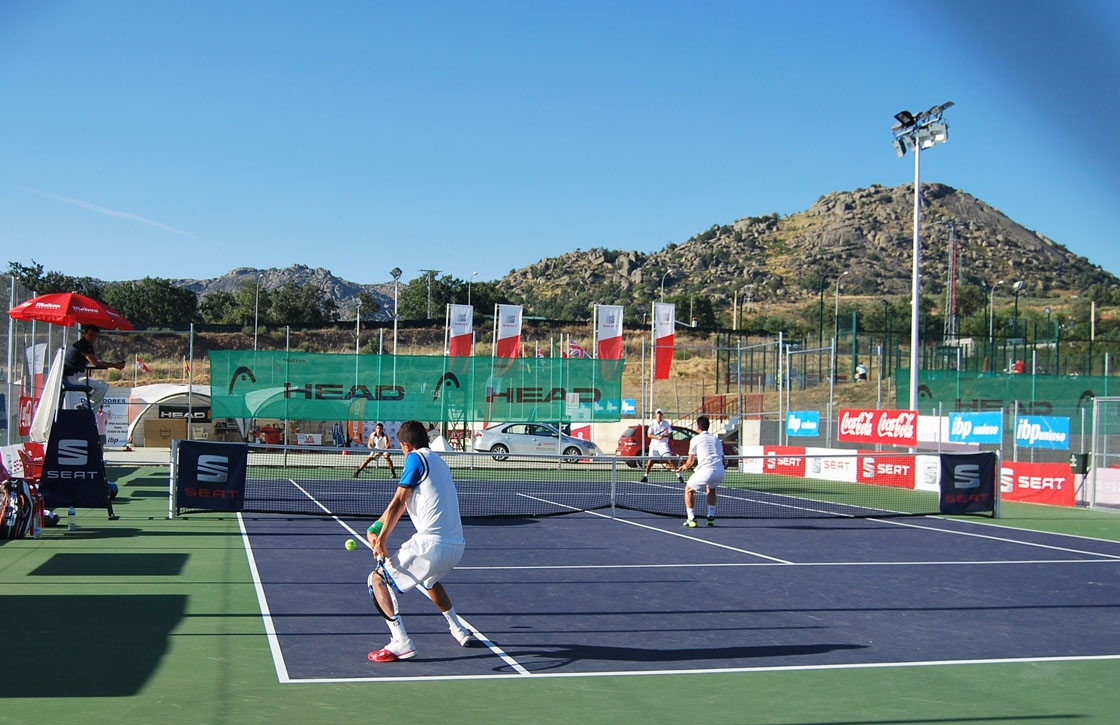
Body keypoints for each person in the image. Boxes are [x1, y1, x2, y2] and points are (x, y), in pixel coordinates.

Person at [366, 419, 478, 662]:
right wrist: (376, 527)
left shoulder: (414, 459)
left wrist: (381, 540)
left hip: (431, 545)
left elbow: (398, 501)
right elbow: (404, 502)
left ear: (406, 445)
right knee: (429, 582)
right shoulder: (439, 462)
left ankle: (401, 642)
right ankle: (458, 629)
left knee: (376, 579)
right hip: (455, 547)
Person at [674, 415, 724, 528]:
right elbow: (723, 458)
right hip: (720, 471)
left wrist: (684, 467)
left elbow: (690, 462)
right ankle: (710, 517)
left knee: (688, 490)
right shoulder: (716, 439)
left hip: (706, 472)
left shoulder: (695, 439)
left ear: (698, 427)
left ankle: (691, 519)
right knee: (711, 488)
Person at [62, 325, 124, 409]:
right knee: (103, 386)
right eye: (91, 335)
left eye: (95, 335)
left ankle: (86, 406)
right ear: (85, 334)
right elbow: (95, 362)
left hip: (75, 376)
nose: (93, 337)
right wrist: (115, 365)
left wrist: (113, 365)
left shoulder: (86, 344)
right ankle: (86, 408)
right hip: (72, 378)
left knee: (98, 387)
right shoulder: (83, 345)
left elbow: (96, 361)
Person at [641, 408, 680, 483]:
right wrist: (657, 437)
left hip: (663, 445)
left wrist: (664, 436)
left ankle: (679, 475)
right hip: (654, 445)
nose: (659, 415)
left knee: (670, 460)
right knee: (650, 461)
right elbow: (649, 435)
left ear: (662, 415)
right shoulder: (652, 423)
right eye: (657, 414)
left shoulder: (666, 423)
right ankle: (645, 476)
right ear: (656, 415)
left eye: (660, 414)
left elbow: (670, 434)